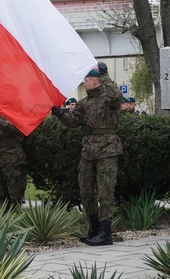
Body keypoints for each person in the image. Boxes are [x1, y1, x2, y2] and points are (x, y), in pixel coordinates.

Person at [52, 63, 123, 246]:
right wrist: (60, 114)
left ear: (95, 81)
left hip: (107, 149)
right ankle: (94, 227)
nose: (84, 84)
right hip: (88, 150)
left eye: (86, 80)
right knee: (85, 189)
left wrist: (105, 74)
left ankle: (106, 233)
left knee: (105, 190)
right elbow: (73, 122)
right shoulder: (84, 103)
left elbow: (117, 96)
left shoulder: (109, 99)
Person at [0, 112, 27, 210]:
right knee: (1, 190)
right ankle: (3, 213)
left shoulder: (17, 114)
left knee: (14, 191)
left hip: (13, 158)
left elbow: (12, 129)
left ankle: (15, 215)